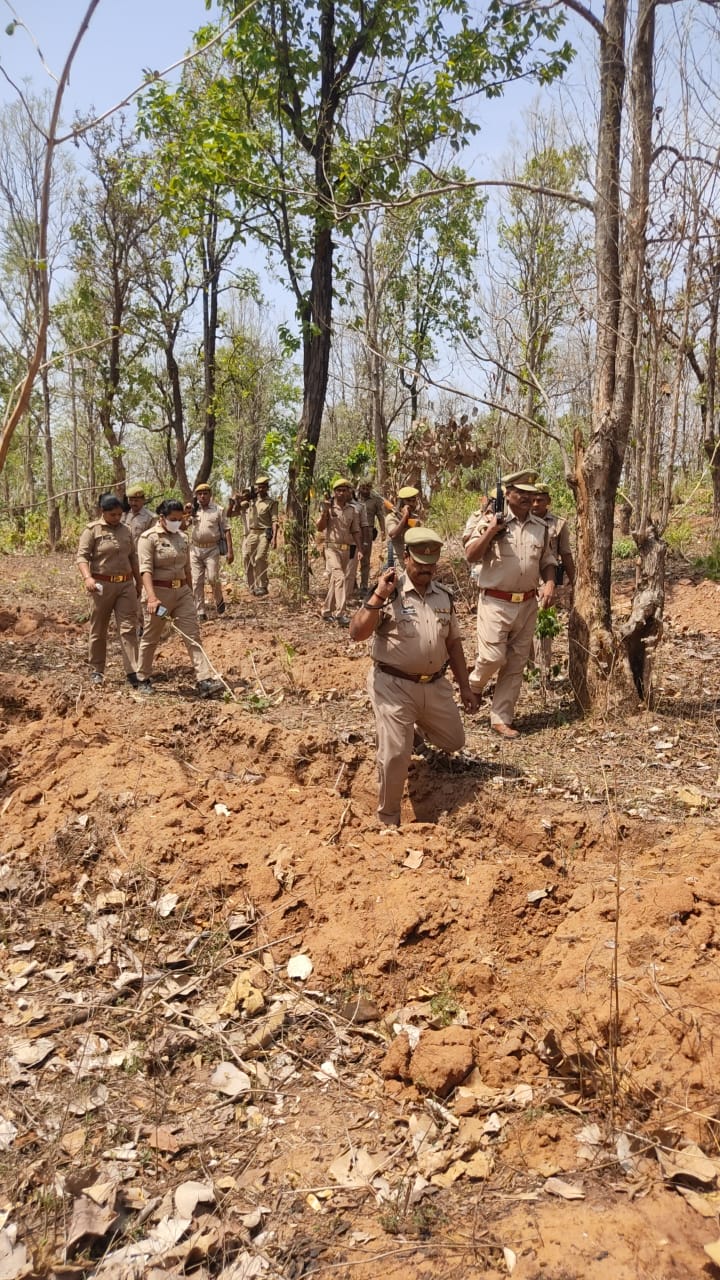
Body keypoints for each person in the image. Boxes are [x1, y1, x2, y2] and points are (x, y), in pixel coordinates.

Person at [350, 526, 477, 827]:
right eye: (420, 564)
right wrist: (379, 595)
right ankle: (388, 818)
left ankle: (413, 731)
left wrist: (466, 688)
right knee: (395, 754)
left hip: (433, 685)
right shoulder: (389, 592)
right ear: (405, 558)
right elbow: (357, 633)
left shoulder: (443, 597)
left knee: (454, 740)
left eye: (431, 565)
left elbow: (454, 644)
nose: (425, 570)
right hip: (393, 685)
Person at [463, 470, 556, 739]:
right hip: (495, 601)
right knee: (493, 657)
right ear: (508, 494)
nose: (528, 498)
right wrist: (491, 530)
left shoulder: (541, 527)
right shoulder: (493, 521)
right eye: (521, 493)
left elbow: (547, 561)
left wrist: (549, 583)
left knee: (515, 664)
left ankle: (501, 718)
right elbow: (470, 555)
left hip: (527, 604)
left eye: (531, 494)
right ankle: (473, 684)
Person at [136, 499, 225, 697]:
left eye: (179, 519)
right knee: (151, 636)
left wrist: (191, 593)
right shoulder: (148, 538)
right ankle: (142, 678)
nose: (177, 522)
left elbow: (187, 569)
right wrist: (151, 598)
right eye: (173, 519)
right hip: (158, 593)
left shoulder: (183, 538)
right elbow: (145, 570)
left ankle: (204, 679)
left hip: (182, 592)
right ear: (162, 518)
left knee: (192, 635)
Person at [76, 493, 141, 688]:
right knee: (99, 629)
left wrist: (139, 583)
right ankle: (97, 670)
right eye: (112, 514)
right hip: (101, 586)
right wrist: (88, 577)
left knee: (129, 628)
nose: (116, 518)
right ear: (102, 512)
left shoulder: (126, 530)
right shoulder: (92, 531)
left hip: (126, 585)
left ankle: (133, 671)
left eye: (119, 514)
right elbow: (82, 557)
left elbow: (133, 558)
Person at [531, 483, 576, 677]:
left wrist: (576, 582)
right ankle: (526, 672)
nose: (535, 504)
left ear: (548, 501)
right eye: (532, 499)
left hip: (547, 582)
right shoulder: (521, 521)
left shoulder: (559, 524)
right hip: (523, 581)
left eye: (540, 500)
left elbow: (565, 554)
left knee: (544, 628)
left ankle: (541, 674)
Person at [315, 477, 363, 626]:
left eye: (344, 490)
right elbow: (319, 527)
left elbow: (355, 531)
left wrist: (360, 549)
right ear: (334, 493)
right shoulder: (328, 508)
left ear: (349, 492)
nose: (341, 493)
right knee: (340, 578)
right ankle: (340, 614)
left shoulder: (352, 510)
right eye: (338, 490)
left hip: (346, 549)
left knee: (336, 582)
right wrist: (325, 513)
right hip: (331, 548)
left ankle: (326, 611)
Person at [189, 483, 233, 620]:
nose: (202, 496)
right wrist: (187, 514)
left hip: (212, 549)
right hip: (195, 549)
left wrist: (230, 552)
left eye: (205, 493)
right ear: (196, 496)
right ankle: (200, 611)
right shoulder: (192, 510)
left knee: (213, 578)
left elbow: (226, 530)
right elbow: (182, 525)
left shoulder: (218, 510)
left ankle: (219, 599)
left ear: (210, 495)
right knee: (196, 581)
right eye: (200, 494)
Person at [239, 476, 279, 597]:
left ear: (267, 488)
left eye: (262, 487)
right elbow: (237, 507)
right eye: (258, 487)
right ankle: (253, 586)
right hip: (252, 533)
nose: (260, 489)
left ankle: (263, 585)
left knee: (260, 558)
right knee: (249, 559)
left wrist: (275, 538)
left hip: (264, 532)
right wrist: (243, 497)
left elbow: (274, 521)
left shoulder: (271, 503)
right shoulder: (251, 501)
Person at [122, 484, 154, 634]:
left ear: (143, 500)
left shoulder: (150, 518)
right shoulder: (124, 515)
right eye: (131, 500)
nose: (133, 503)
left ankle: (143, 625)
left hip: (142, 561)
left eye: (136, 500)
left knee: (141, 593)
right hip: (125, 561)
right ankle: (133, 623)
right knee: (128, 593)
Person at [356, 479, 386, 592]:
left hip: (368, 532)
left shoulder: (375, 501)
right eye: (363, 488)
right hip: (354, 532)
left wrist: (383, 531)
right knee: (352, 558)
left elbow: (380, 516)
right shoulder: (354, 500)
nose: (365, 490)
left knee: (365, 558)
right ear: (359, 488)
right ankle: (352, 584)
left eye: (367, 488)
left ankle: (364, 585)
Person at [385, 486, 422, 565]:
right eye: (408, 501)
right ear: (401, 502)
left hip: (410, 557)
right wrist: (405, 516)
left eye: (413, 501)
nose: (411, 504)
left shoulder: (414, 518)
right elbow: (393, 534)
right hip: (395, 558)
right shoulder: (392, 517)